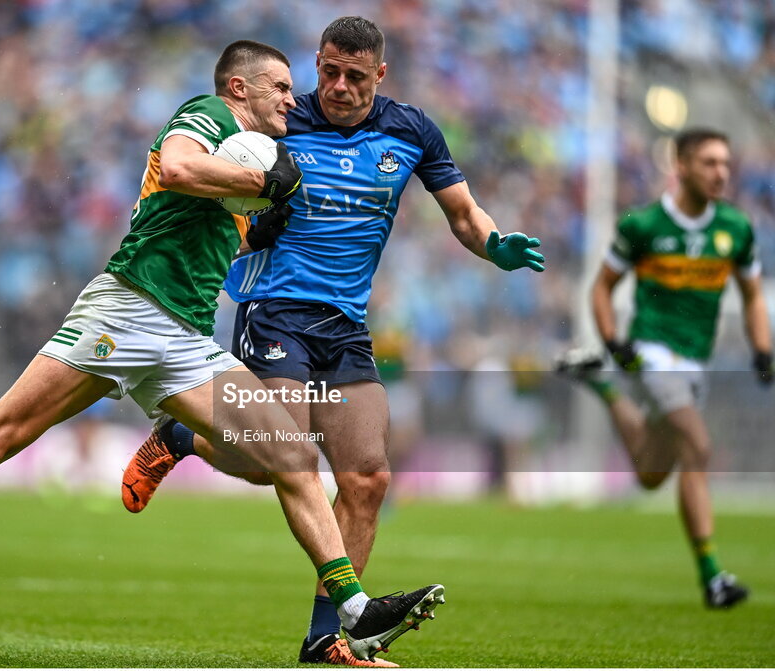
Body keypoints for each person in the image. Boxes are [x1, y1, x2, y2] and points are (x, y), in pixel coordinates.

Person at [0, 40, 443, 663]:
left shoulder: (252, 158)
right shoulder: (211, 114)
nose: (291, 97)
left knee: (288, 456)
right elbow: (184, 168)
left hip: (186, 338)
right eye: (280, 86)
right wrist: (261, 177)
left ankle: (351, 609)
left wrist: (259, 217)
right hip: (126, 310)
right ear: (240, 87)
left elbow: (206, 231)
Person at [119, 17, 545, 667]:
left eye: (353, 75)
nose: (337, 87)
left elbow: (462, 212)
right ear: (317, 64)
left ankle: (328, 640)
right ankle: (180, 436)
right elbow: (213, 168)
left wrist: (493, 242)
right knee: (277, 458)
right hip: (275, 309)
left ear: (380, 75)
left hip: (345, 325)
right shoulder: (284, 120)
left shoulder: (411, 130)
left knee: (368, 477)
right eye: (327, 71)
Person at [556, 128, 772, 609]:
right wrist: (615, 342)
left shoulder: (735, 228)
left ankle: (604, 389)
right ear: (682, 166)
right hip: (651, 354)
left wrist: (761, 349)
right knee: (699, 444)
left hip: (695, 360)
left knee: (653, 473)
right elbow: (601, 288)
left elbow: (753, 295)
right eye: (709, 163)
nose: (721, 173)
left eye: (725, 164)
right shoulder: (646, 225)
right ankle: (714, 576)